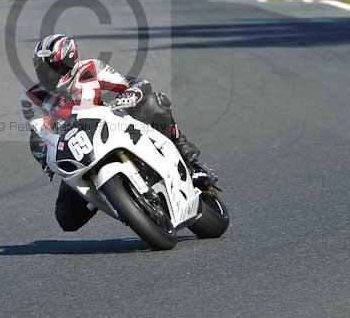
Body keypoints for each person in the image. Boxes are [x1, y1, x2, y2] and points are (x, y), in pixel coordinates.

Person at [20, 33, 217, 232]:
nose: (49, 75)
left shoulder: (91, 69)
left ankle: (185, 153)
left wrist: (131, 93)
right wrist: (44, 154)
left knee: (153, 103)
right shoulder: (32, 97)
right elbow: (40, 131)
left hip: (111, 128)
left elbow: (133, 83)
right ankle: (107, 197)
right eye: (43, 70)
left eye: (54, 69)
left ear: (69, 61)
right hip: (78, 150)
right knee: (66, 218)